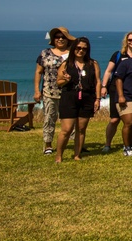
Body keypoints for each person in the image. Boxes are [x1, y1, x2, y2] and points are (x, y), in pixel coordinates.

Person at [53, 36, 99, 163]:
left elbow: (97, 82)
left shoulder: (92, 64)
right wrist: (65, 80)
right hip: (69, 97)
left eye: (84, 49)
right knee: (66, 129)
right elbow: (58, 83)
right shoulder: (66, 64)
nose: (81, 51)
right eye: (78, 48)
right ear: (73, 48)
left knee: (81, 129)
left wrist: (98, 98)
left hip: (87, 97)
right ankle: (59, 155)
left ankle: (77, 154)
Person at [35, 26, 74, 155]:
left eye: (63, 37)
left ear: (68, 39)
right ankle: (48, 145)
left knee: (71, 119)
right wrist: (37, 91)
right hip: (50, 92)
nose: (60, 39)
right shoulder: (45, 53)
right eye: (57, 37)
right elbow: (39, 72)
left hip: (69, 91)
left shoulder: (74, 53)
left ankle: (75, 143)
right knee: (49, 118)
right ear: (53, 39)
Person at [100, 31, 132, 153]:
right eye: (130, 40)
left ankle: (129, 144)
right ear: (126, 41)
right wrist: (104, 86)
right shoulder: (119, 55)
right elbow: (108, 71)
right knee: (114, 119)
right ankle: (107, 144)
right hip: (116, 90)